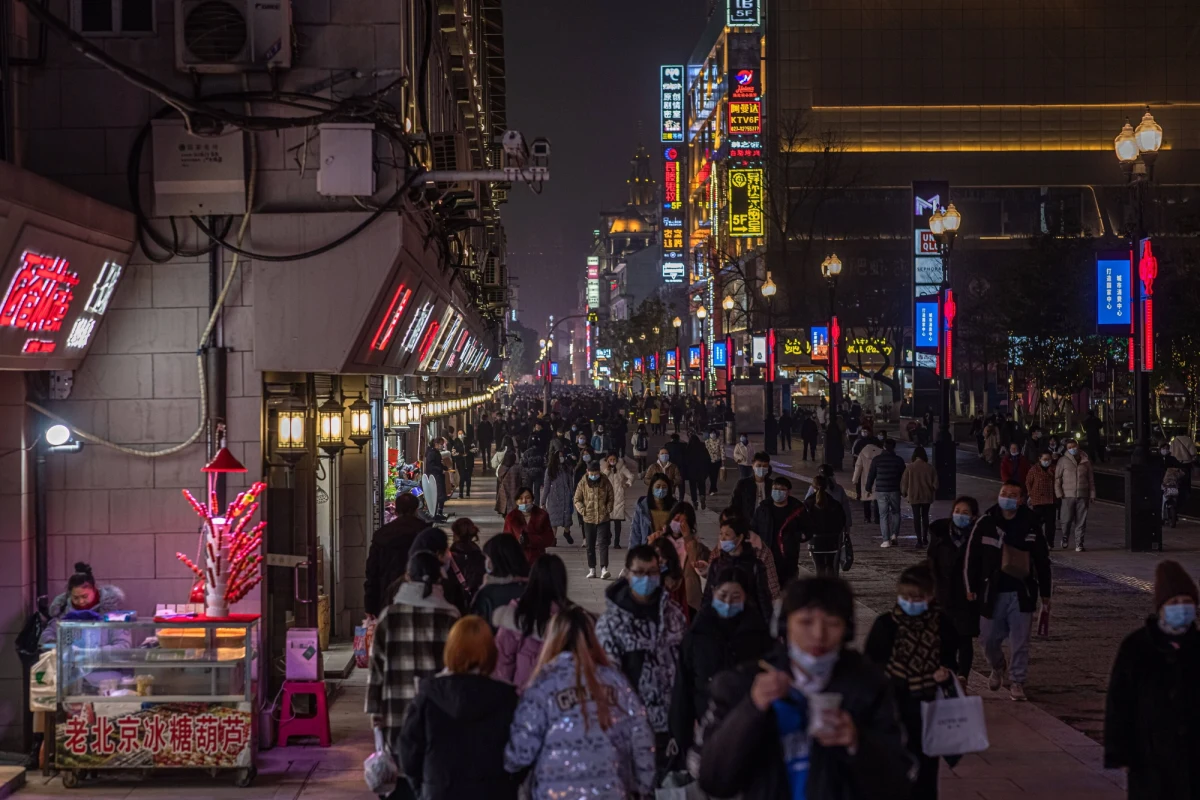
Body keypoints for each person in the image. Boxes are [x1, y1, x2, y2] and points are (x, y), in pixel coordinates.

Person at [698, 577, 914, 800]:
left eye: (832, 623)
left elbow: (899, 783)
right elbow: (712, 779)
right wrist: (751, 708)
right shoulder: (741, 683)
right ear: (784, 625)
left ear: (846, 630)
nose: (819, 635)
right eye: (806, 622)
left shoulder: (869, 687)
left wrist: (856, 743)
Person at [504, 605, 656, 800]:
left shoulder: (542, 686)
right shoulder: (616, 682)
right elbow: (641, 737)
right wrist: (643, 787)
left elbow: (521, 752)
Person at [368, 551, 461, 800]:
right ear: (438, 578)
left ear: (408, 577)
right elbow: (457, 671)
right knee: (433, 778)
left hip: (396, 714)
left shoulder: (389, 616)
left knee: (399, 782)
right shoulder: (451, 616)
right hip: (438, 715)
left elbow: (376, 670)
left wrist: (375, 714)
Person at [1105, 560, 1200, 799]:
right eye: (1174, 602)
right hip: (1150, 760)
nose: (1182, 608)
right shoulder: (1137, 647)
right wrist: (1120, 752)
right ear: (1161, 607)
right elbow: (1120, 702)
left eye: (1187, 602)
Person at [398, 615, 519, 800]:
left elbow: (408, 754)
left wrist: (423, 789)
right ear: (490, 652)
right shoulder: (506, 698)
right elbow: (519, 755)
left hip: (438, 791)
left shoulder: (428, 697)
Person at [865, 562, 957, 800]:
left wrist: (945, 674)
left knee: (927, 769)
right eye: (905, 596)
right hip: (894, 705)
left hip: (928, 707)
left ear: (930, 596)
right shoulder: (886, 624)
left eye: (917, 597)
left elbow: (950, 661)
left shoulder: (942, 625)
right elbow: (870, 663)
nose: (910, 602)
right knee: (893, 765)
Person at [669, 564, 774, 764]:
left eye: (735, 597)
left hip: (747, 726)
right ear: (714, 592)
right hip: (704, 724)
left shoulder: (759, 636)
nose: (728, 602)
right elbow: (683, 685)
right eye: (723, 595)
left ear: (746, 598)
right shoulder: (697, 634)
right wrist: (680, 732)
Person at [595, 545, 687, 758]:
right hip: (633, 730)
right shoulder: (611, 624)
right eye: (639, 572)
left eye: (652, 572)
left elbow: (685, 665)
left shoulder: (674, 615)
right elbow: (607, 683)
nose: (646, 578)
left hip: (672, 726)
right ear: (627, 574)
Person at [970, 481, 1052, 701]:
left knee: (1020, 641)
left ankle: (1017, 681)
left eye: (1013, 495)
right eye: (1004, 493)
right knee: (987, 639)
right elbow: (972, 557)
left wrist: (1046, 594)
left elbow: (1042, 561)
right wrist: (971, 587)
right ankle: (998, 666)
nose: (1007, 497)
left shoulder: (1031, 524)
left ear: (1021, 499)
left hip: (1021, 592)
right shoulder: (986, 522)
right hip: (992, 591)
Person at [927, 497, 983, 685]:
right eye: (957, 511)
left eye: (965, 512)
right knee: (944, 639)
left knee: (964, 638)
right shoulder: (941, 535)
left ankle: (962, 677)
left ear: (974, 517)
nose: (960, 515)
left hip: (967, 596)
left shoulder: (977, 538)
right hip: (943, 595)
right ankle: (948, 674)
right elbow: (931, 564)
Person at [493, 554, 569, 690]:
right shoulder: (570, 617)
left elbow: (503, 660)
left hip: (522, 695)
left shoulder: (517, 614)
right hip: (559, 697)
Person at [698, 515, 774, 623]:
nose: (722, 538)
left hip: (747, 625)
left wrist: (768, 628)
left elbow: (763, 600)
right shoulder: (717, 564)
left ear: (740, 538)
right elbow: (708, 596)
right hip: (720, 623)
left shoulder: (755, 566)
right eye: (721, 534)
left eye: (727, 534)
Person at [365, 494, 427, 618]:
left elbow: (372, 571)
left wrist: (370, 604)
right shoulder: (425, 533)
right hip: (421, 595)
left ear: (396, 510)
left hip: (388, 596)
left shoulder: (382, 535)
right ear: (416, 509)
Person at [40, 562, 130, 648]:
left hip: (104, 663)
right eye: (75, 598)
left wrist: (93, 653)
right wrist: (61, 648)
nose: (81, 601)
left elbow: (124, 645)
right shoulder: (64, 613)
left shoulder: (111, 614)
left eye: (85, 596)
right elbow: (45, 639)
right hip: (71, 663)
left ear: (95, 590)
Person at [648, 501, 710, 616]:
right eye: (676, 520)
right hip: (664, 590)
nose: (678, 525)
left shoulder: (695, 543)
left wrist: (688, 538)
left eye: (683, 522)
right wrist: (652, 543)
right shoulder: (661, 539)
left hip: (687, 594)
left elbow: (695, 561)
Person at [753, 476, 806, 587]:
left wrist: (796, 537)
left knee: (787, 588)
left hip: (788, 558)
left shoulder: (798, 509)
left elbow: (807, 529)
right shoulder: (763, 508)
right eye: (775, 489)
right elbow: (754, 528)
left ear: (788, 492)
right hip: (766, 555)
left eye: (781, 489)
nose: (777, 492)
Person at [470, 535, 530, 627]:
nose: (486, 561)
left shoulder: (487, 593)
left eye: (487, 558)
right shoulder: (534, 588)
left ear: (494, 561)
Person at [798, 475, 848, 577]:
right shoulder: (834, 503)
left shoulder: (808, 503)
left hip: (815, 539)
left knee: (819, 566)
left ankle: (820, 589)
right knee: (830, 565)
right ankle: (831, 588)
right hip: (832, 540)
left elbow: (802, 521)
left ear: (813, 487)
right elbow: (842, 521)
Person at [575, 459, 616, 580]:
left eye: (596, 473)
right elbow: (577, 499)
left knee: (603, 543)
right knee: (590, 545)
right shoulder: (582, 483)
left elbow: (611, 495)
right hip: (588, 519)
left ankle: (604, 568)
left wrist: (608, 508)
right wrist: (583, 510)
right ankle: (592, 569)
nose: (594, 476)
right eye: (591, 473)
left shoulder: (605, 481)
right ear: (587, 471)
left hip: (603, 518)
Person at [1055, 438, 1095, 551]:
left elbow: (1091, 479)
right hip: (1067, 495)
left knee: (1081, 521)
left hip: (1083, 494)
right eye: (1070, 448)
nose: (1073, 449)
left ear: (1078, 446)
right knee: (1066, 519)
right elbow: (1057, 479)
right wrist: (1059, 493)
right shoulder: (1063, 461)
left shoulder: (1085, 461)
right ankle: (1065, 536)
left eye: (1074, 447)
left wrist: (1092, 493)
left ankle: (1079, 543)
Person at [867, 437, 906, 548]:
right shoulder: (899, 460)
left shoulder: (877, 459)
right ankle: (894, 535)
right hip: (895, 489)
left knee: (883, 515)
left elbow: (871, 475)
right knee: (896, 512)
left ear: (883, 447)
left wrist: (868, 487)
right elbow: (904, 476)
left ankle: (886, 540)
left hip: (881, 490)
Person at [503, 487, 556, 567]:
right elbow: (506, 541)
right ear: (516, 501)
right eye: (520, 498)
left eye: (527, 498)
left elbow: (549, 538)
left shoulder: (542, 515)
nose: (524, 501)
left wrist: (530, 540)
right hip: (518, 561)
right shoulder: (511, 518)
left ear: (532, 499)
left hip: (537, 560)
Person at [900, 446, 938, 547]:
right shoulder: (930, 468)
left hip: (914, 496)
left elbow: (904, 483)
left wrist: (904, 493)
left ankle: (919, 540)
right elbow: (936, 485)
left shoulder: (910, 467)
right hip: (926, 496)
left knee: (916, 517)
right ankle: (925, 538)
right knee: (925, 516)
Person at [539, 450, 576, 546]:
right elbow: (546, 486)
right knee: (553, 521)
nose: (561, 458)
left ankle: (567, 532)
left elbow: (570, 482)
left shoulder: (567, 468)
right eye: (559, 456)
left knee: (567, 518)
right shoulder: (550, 470)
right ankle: (553, 539)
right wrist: (543, 501)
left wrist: (572, 494)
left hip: (566, 496)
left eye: (562, 455)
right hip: (554, 498)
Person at [629, 474, 676, 549]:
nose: (661, 490)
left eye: (664, 487)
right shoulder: (642, 507)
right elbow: (636, 534)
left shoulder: (675, 508)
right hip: (648, 551)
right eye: (658, 487)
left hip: (669, 551)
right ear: (652, 488)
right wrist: (633, 555)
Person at [600, 451, 635, 549]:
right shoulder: (603, 469)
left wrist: (627, 484)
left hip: (619, 496)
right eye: (610, 460)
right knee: (606, 520)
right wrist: (607, 470)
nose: (612, 461)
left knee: (618, 521)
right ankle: (608, 537)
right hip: (607, 497)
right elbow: (601, 479)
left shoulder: (621, 468)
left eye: (614, 459)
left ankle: (617, 542)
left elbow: (631, 476)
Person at [1025, 450, 1057, 544]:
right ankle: (1037, 541)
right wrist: (1031, 494)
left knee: (1050, 524)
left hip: (1051, 501)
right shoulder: (1034, 469)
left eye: (1049, 459)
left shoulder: (1054, 469)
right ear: (1040, 459)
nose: (1047, 461)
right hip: (1038, 501)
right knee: (1037, 523)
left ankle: (1050, 542)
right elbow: (1028, 483)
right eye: (1045, 459)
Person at [449, 518, 486, 601]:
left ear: (456, 534)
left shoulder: (450, 556)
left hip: (456, 598)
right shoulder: (479, 554)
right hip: (475, 598)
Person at [732, 451, 774, 522]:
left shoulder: (772, 484)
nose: (761, 468)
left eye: (764, 466)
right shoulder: (743, 484)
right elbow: (734, 505)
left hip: (767, 523)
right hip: (748, 523)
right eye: (759, 465)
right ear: (753, 465)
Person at [851, 435, 882, 527]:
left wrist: (855, 479)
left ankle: (867, 517)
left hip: (865, 478)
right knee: (877, 499)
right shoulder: (880, 452)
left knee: (866, 499)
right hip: (878, 478)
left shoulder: (862, 452)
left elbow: (858, 467)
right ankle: (877, 518)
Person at [682, 432, 711, 509]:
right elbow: (708, 459)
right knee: (702, 485)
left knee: (693, 487)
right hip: (701, 471)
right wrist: (707, 471)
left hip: (691, 472)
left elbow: (685, 461)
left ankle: (695, 501)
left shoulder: (688, 449)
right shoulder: (702, 447)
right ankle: (702, 496)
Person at [424, 439, 448, 520]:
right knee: (438, 495)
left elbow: (439, 463)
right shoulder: (431, 453)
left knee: (441, 495)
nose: (442, 446)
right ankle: (435, 514)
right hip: (434, 477)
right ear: (436, 444)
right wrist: (440, 469)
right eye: (441, 444)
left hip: (438, 476)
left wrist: (444, 467)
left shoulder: (436, 453)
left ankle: (439, 513)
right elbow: (431, 466)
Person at [494, 449, 521, 518]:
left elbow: (498, 483)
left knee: (506, 517)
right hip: (515, 493)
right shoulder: (517, 468)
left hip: (504, 495)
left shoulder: (501, 468)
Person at [451, 429, 473, 499]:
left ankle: (468, 493)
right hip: (460, 463)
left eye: (461, 433)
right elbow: (453, 452)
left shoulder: (469, 441)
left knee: (468, 478)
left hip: (469, 462)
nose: (460, 435)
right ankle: (461, 493)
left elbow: (474, 449)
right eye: (459, 433)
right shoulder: (456, 441)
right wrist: (461, 455)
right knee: (462, 477)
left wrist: (468, 453)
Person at [705, 428, 724, 495]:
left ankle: (713, 489)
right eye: (711, 433)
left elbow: (722, 450)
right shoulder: (706, 442)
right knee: (711, 476)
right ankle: (713, 488)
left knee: (715, 475)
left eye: (714, 433)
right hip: (709, 461)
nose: (712, 434)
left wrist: (723, 460)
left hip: (717, 461)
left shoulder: (719, 441)